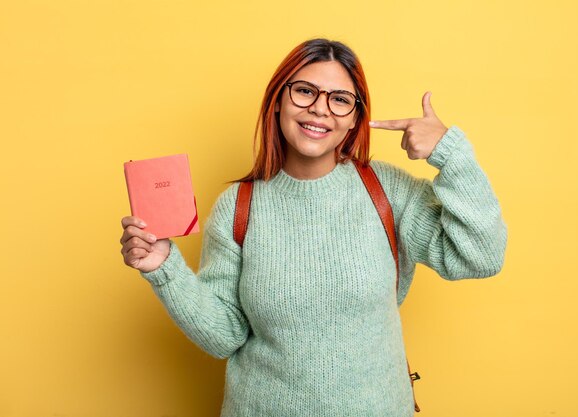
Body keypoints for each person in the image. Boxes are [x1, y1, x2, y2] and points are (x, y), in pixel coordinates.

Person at [119, 38, 508, 417]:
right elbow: (225, 336)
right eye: (304, 91)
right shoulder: (239, 206)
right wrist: (163, 268)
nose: (320, 109)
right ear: (277, 102)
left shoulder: (388, 191)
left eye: (340, 99)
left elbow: (481, 257)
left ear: (355, 116)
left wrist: (451, 154)